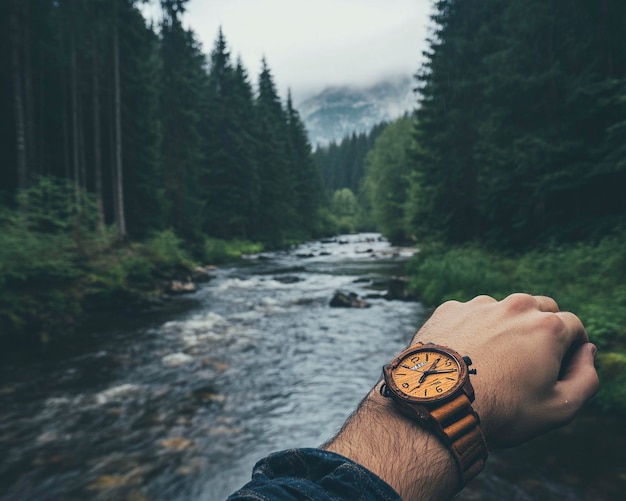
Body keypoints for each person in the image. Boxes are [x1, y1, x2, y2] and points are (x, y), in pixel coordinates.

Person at [226, 294, 600, 501]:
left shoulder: (451, 377)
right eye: (420, 367)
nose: (423, 370)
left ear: (465, 367)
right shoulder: (405, 381)